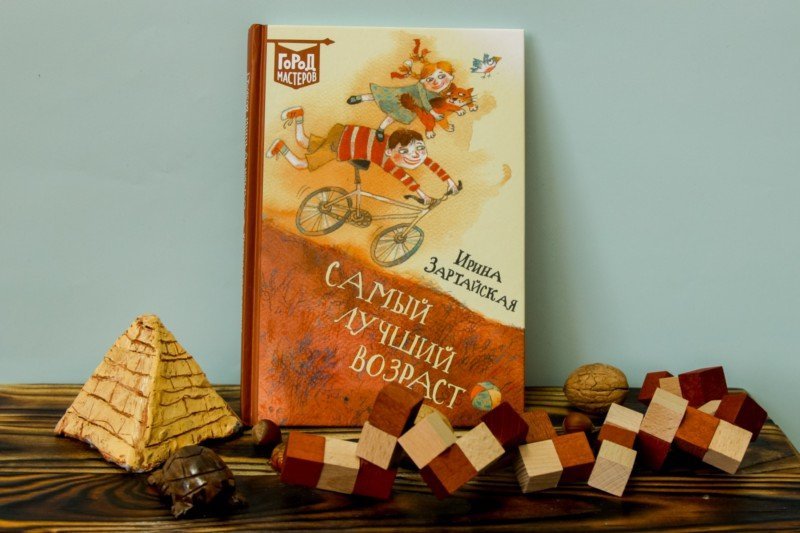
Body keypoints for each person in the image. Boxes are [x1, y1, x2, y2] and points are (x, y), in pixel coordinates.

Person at [267, 106, 460, 205]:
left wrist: (450, 183)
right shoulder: (387, 159)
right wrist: (423, 196)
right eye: (405, 152)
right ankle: (280, 146)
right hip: (341, 144)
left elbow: (431, 164)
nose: (415, 155)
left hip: (344, 133)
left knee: (303, 141)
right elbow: (405, 178)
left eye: (420, 148)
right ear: (390, 151)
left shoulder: (396, 143)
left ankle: (299, 115)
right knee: (300, 164)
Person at [345, 61, 455, 141]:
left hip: (411, 107)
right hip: (403, 96)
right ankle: (360, 98)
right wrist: (434, 114)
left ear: (450, 76)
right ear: (423, 81)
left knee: (394, 116)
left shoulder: (448, 90)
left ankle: (380, 130)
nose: (436, 82)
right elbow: (424, 101)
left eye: (441, 76)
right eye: (430, 79)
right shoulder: (422, 86)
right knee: (382, 96)